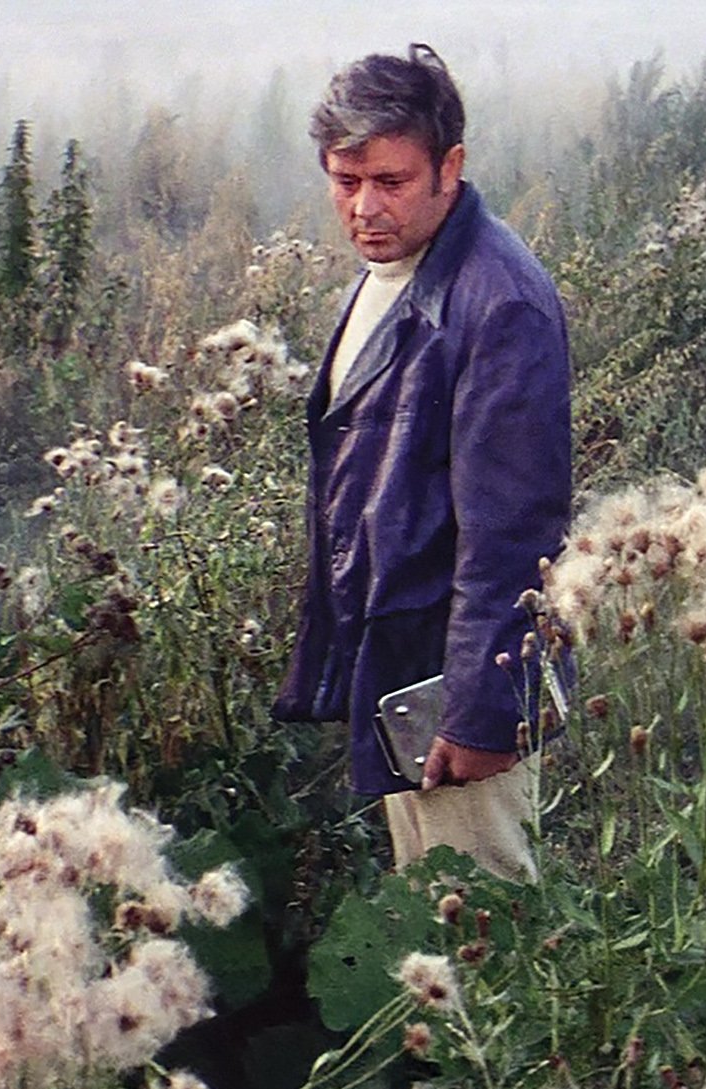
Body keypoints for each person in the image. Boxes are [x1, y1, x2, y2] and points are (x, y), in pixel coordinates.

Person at [272, 44, 572, 881]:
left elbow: (516, 534)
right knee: (429, 904)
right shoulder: (390, 273)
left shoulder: (498, 299)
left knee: (483, 915)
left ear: (452, 166)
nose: (365, 207)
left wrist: (483, 713)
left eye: (391, 182)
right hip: (400, 659)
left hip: (452, 673)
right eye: (344, 180)